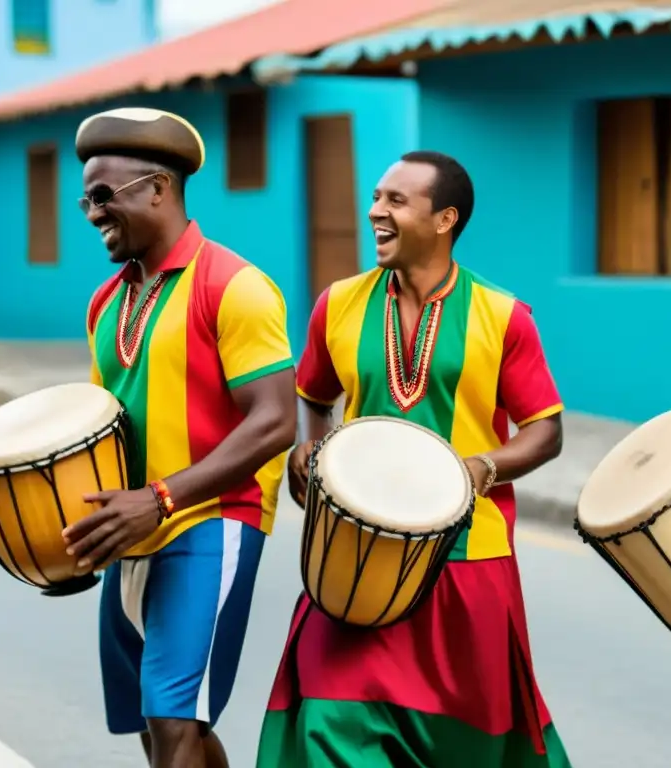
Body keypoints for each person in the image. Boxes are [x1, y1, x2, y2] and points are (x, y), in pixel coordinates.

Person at [256, 151, 573, 767]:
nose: (376, 210)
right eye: (377, 197)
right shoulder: (338, 304)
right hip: (355, 554)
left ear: (444, 219)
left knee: (464, 745)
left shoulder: (503, 315)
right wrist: (310, 445)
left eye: (396, 201)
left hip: (467, 558)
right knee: (329, 719)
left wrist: (482, 469)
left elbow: (546, 431)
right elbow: (314, 397)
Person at [62, 108, 297, 768]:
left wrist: (161, 498)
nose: (91, 212)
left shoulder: (234, 286)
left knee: (172, 722)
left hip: (211, 523)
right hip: (136, 527)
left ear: (158, 188)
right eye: (86, 198)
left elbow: (276, 420)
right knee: (162, 723)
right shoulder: (106, 302)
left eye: (104, 196)